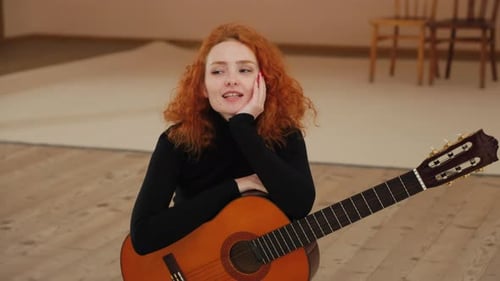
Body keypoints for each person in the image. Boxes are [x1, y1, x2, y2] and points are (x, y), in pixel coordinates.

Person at [130, 22, 318, 255]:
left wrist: (242, 127)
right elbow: (143, 236)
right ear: (202, 87)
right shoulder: (178, 141)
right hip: (196, 266)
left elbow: (300, 206)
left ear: (264, 81)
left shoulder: (284, 134)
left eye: (245, 70)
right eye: (218, 71)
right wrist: (237, 186)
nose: (231, 79)